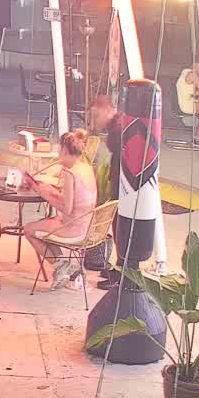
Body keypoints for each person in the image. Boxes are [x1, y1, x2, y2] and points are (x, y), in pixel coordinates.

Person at [87, 87, 162, 286]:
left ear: (107, 110)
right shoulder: (121, 125)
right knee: (120, 225)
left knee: (124, 227)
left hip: (127, 186)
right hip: (125, 184)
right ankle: (121, 266)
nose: (94, 122)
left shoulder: (118, 129)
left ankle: (125, 272)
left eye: (96, 116)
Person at [23, 130, 100, 288]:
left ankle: (61, 265)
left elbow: (67, 208)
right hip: (88, 225)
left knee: (29, 229)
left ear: (64, 150)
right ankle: (62, 265)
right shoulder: (86, 167)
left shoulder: (70, 173)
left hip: (73, 228)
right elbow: (74, 201)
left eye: (59, 150)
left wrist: (42, 192)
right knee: (46, 224)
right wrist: (50, 191)